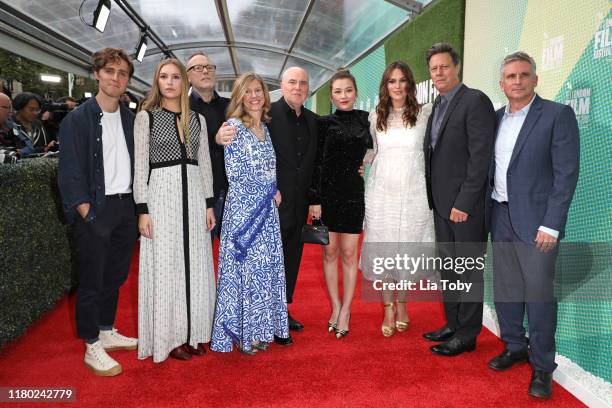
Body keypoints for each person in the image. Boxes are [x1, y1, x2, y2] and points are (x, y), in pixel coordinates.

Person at [486, 52, 579, 399]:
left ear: (535, 80)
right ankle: (513, 346)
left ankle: (542, 367)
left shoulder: (557, 115)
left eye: (524, 75)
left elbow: (565, 174)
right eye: (511, 76)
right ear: (502, 83)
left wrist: (552, 225)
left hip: (538, 224)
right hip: (499, 215)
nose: (518, 81)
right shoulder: (494, 119)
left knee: (539, 298)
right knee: (507, 289)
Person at [217, 67, 318, 344]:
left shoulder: (302, 121)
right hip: (253, 211)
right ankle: (247, 329)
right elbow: (234, 167)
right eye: (292, 82)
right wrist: (219, 135)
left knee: (277, 266)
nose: (253, 96)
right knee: (252, 269)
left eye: (257, 91)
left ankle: (275, 318)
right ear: (282, 87)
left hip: (287, 206)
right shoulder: (241, 125)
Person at [58, 48, 138, 377]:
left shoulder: (132, 119)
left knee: (116, 276)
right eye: (110, 72)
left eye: (122, 73)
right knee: (91, 280)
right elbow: (70, 171)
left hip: (125, 208)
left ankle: (106, 328)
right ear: (96, 74)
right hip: (96, 209)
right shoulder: (78, 119)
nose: (116, 78)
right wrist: (86, 211)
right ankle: (92, 343)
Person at [134, 59, 216, 363]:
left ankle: (195, 332)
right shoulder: (147, 118)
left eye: (175, 77)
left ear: (185, 81)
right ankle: (170, 337)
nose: (170, 82)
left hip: (194, 196)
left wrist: (209, 203)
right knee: (167, 266)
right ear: (157, 82)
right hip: (161, 197)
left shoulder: (197, 120)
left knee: (195, 264)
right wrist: (142, 209)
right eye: (164, 77)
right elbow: (140, 165)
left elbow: (205, 162)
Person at [423, 43, 496, 356]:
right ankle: (453, 323)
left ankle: (467, 334)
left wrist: (463, 204)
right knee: (449, 268)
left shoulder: (475, 101)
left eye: (444, 67)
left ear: (457, 67)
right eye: (434, 69)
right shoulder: (438, 105)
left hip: (465, 208)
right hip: (441, 206)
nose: (439, 73)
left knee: (467, 270)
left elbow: (481, 157)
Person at [210, 72, 288, 354]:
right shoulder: (233, 127)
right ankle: (244, 334)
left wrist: (275, 189)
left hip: (267, 212)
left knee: (263, 272)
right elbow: (237, 174)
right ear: (239, 97)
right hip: (245, 213)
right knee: (247, 272)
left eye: (259, 91)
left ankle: (259, 329)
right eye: (248, 92)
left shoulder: (264, 128)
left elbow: (268, 169)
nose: (254, 96)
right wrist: (267, 192)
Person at [361, 61, 435, 337]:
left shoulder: (424, 114)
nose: (398, 86)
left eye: (403, 80)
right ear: (385, 85)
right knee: (384, 249)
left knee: (405, 250)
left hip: (413, 191)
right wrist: (360, 161)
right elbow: (375, 151)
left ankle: (403, 304)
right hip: (382, 192)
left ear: (410, 85)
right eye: (392, 81)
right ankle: (388, 308)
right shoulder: (374, 116)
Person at [308, 69, 370, 338]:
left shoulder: (367, 120)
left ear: (356, 93)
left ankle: (347, 309)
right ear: (331, 96)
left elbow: (380, 148)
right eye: (338, 91)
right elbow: (316, 163)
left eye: (348, 90)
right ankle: (335, 306)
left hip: (354, 195)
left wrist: (368, 162)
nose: (343, 96)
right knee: (329, 252)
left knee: (348, 254)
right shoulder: (323, 123)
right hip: (327, 197)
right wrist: (315, 199)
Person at [186, 52, 230, 240]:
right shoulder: (181, 108)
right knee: (198, 255)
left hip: (228, 194)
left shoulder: (230, 107)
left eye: (209, 67)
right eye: (198, 68)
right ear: (188, 76)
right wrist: (215, 141)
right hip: (196, 196)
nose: (205, 71)